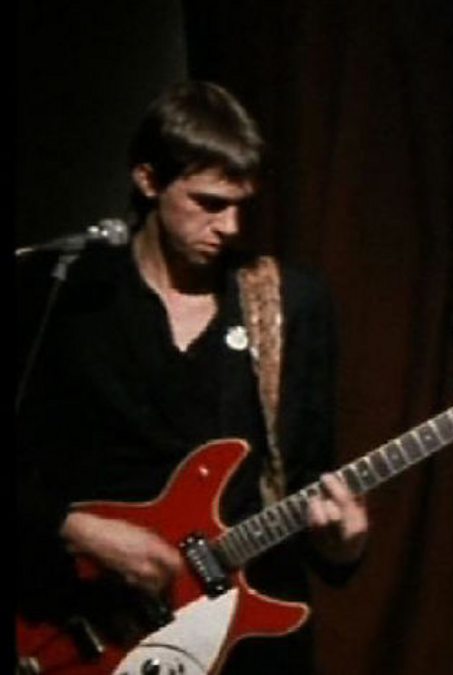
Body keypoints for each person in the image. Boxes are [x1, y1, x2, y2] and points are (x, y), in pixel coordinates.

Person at [16, 81, 368, 674]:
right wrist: (76, 530)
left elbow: (307, 474)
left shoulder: (290, 301)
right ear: (148, 180)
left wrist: (343, 543)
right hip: (90, 628)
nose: (230, 226)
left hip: (246, 639)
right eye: (209, 203)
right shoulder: (69, 293)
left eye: (241, 205)